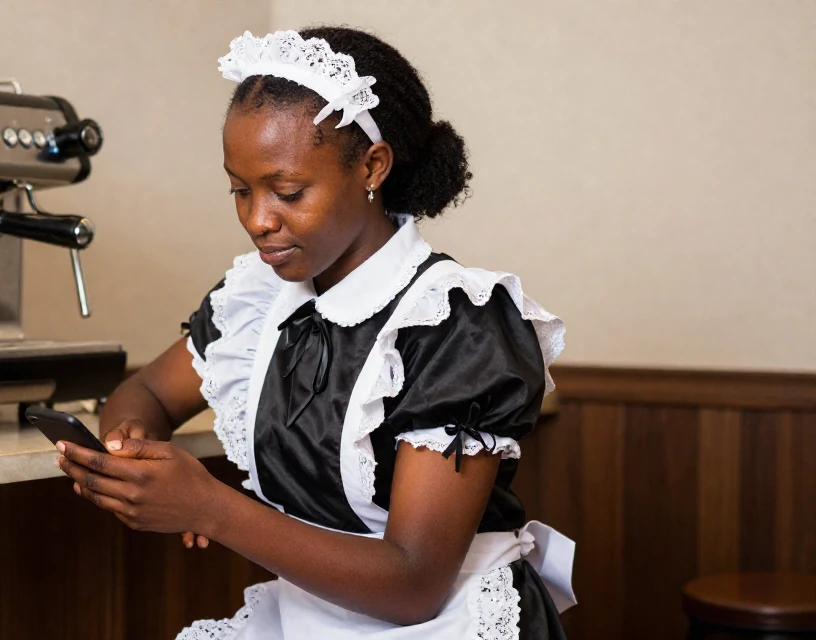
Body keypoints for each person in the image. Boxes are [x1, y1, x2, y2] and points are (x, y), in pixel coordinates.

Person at [55, 26, 576, 639]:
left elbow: (414, 583)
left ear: (371, 167)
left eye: (288, 192)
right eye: (239, 190)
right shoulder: (259, 302)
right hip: (312, 619)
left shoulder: (454, 323)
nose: (257, 219)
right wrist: (132, 453)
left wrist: (209, 507)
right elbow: (146, 391)